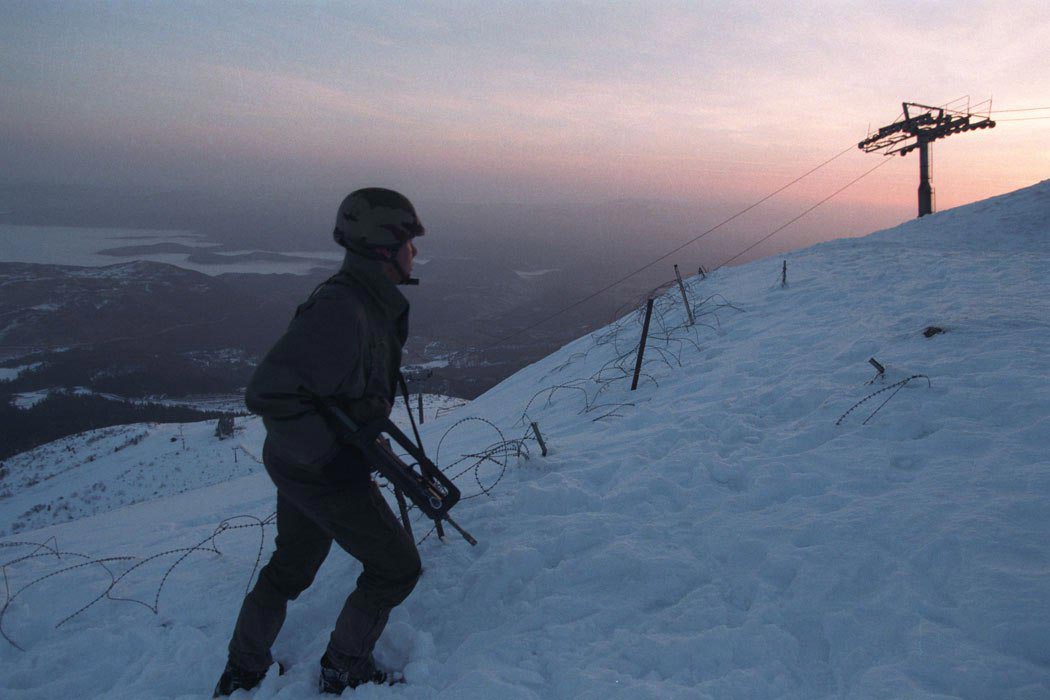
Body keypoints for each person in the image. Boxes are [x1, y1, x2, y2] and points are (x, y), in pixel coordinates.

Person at [214, 188, 425, 696]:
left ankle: (243, 670)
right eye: (409, 242)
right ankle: (344, 667)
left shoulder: (361, 299)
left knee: (291, 568)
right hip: (322, 470)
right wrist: (332, 457)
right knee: (396, 568)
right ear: (383, 245)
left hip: (300, 462)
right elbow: (268, 392)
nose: (415, 253)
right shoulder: (344, 308)